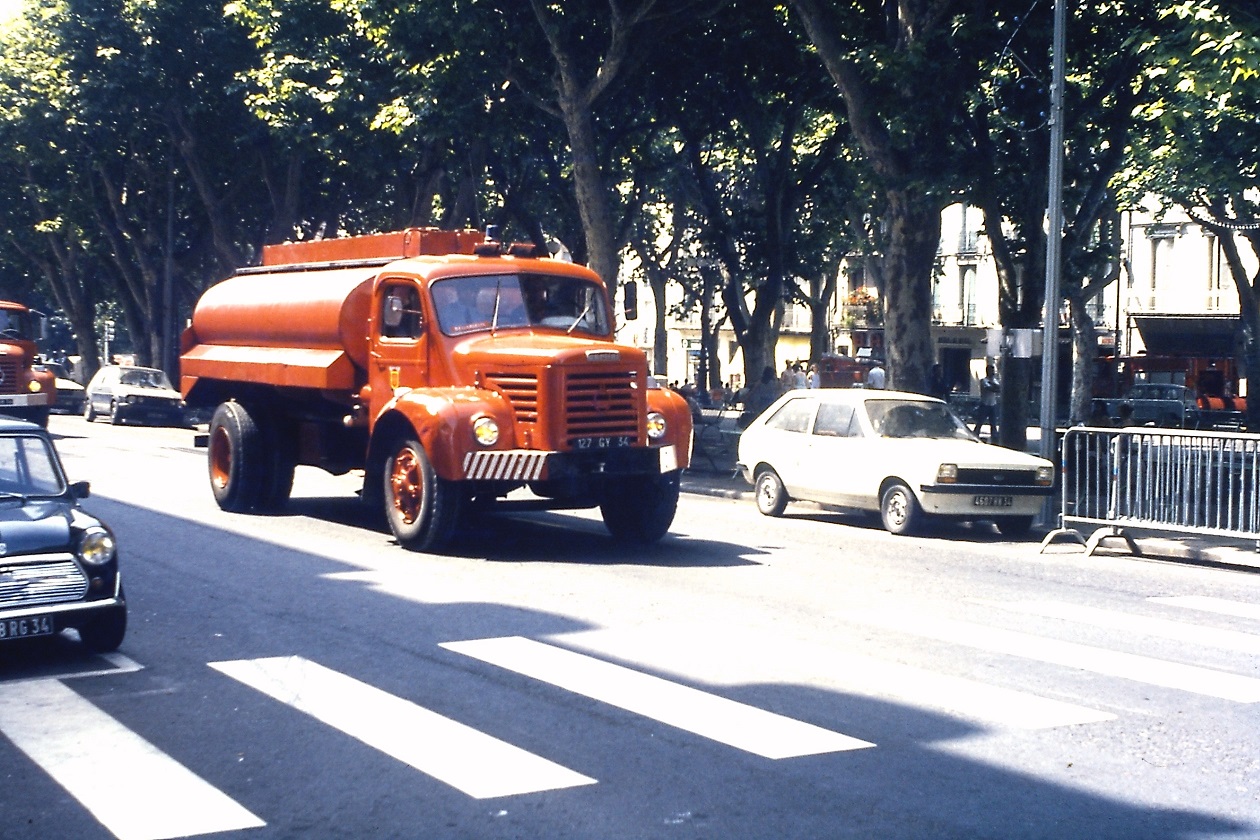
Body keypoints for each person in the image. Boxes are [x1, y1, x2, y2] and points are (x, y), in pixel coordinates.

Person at [973, 363, 1000, 439]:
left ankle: (994, 438)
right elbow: (990, 389)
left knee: (993, 424)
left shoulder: (995, 380)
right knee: (980, 422)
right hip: (984, 404)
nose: (993, 373)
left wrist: (993, 385)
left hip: (993, 404)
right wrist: (994, 386)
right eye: (991, 371)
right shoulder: (983, 380)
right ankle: (975, 436)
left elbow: (999, 389)